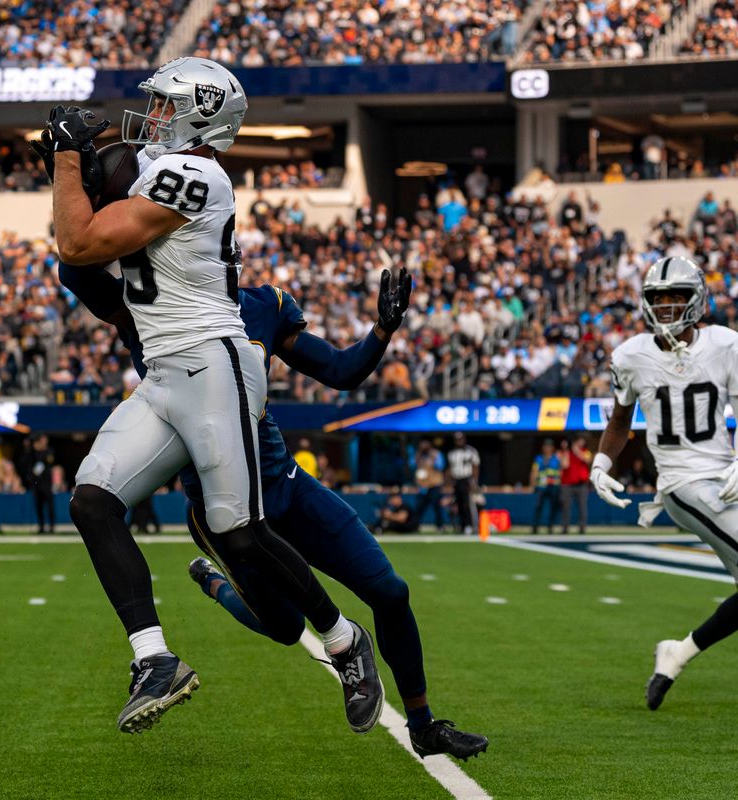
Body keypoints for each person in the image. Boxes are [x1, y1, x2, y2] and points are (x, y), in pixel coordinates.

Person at [46, 57, 372, 736]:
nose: (154, 117)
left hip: (214, 363)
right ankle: (155, 659)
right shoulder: (162, 169)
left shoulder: (198, 175)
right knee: (93, 502)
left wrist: (68, 159)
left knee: (239, 531)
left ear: (201, 114)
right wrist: (74, 158)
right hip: (165, 370)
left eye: (167, 106)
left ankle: (345, 640)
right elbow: (84, 232)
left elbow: (78, 242)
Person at [58, 263, 487, 758]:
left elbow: (340, 371)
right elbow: (78, 271)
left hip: (283, 485)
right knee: (286, 628)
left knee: (390, 591)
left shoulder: (262, 306)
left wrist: (382, 331)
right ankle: (217, 586)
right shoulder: (153, 304)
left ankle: (423, 724)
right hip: (223, 509)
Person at [591, 256, 738, 712]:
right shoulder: (631, 355)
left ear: (696, 299)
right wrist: (601, 463)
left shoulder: (725, 344)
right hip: (682, 483)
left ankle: (678, 652)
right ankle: (678, 652)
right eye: (659, 298)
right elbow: (620, 420)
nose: (668, 306)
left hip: (725, 474)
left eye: (677, 296)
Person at [447, 433, 480, 536]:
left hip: (467, 479)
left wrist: (474, 481)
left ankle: (470, 525)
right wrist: (449, 482)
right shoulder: (452, 453)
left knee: (467, 504)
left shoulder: (471, 451)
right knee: (459, 504)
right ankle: (463, 525)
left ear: (464, 439)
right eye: (457, 440)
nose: (459, 441)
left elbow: (475, 466)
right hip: (456, 480)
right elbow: (450, 468)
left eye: (460, 439)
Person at [412, 441, 447, 533]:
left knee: (436, 506)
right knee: (420, 507)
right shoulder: (419, 455)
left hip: (434, 485)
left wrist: (432, 458)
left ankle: (440, 525)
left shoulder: (436, 454)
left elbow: (440, 466)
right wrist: (418, 455)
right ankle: (414, 525)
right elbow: (412, 465)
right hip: (423, 486)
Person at [529, 439, 562, 536]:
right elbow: (534, 472)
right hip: (541, 486)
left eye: (549, 446)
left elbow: (562, 470)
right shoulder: (538, 458)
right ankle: (535, 527)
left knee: (553, 507)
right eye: (545, 446)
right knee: (538, 506)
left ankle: (550, 526)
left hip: (553, 486)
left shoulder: (557, 458)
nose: (547, 448)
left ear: (552, 448)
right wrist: (532, 485)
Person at [26, 435, 57, 534]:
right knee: (39, 506)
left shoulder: (49, 451)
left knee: (50, 506)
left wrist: (40, 450)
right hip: (37, 483)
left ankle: (51, 526)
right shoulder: (33, 452)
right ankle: (41, 526)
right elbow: (29, 461)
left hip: (46, 483)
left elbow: (48, 461)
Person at [560, 436, 591, 535]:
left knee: (582, 507)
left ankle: (582, 528)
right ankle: (565, 528)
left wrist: (576, 449)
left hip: (581, 484)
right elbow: (564, 465)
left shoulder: (586, 451)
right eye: (579, 440)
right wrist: (566, 450)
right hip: (567, 484)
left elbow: (587, 460)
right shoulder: (567, 452)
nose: (581, 442)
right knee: (566, 507)